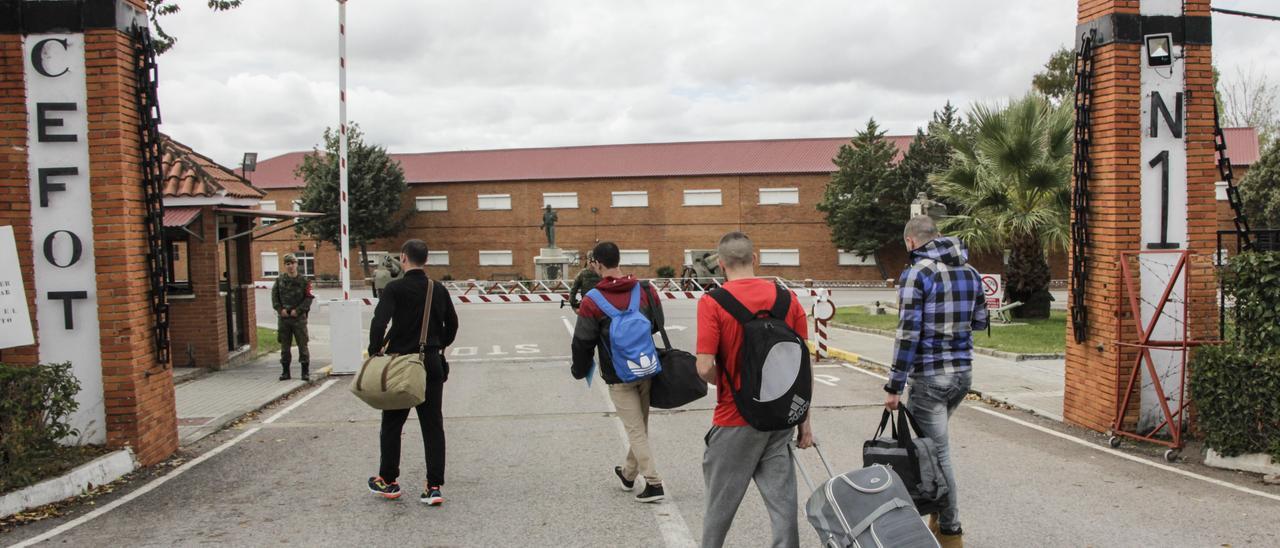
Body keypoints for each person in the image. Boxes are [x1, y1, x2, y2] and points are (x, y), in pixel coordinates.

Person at [695, 231, 814, 548]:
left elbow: (704, 366)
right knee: (783, 507)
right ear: (755, 258)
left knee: (718, 511)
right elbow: (801, 366)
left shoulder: (713, 303)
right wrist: (804, 421)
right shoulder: (788, 299)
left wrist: (732, 384)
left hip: (735, 421)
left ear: (721, 264)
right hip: (779, 419)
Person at [883, 215, 987, 548]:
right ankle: (938, 519)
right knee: (936, 447)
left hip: (930, 377)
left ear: (911, 242)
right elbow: (981, 320)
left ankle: (951, 531)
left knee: (939, 455)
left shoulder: (917, 274)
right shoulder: (970, 272)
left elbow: (908, 333)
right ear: (937, 236)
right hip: (962, 374)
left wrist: (894, 385)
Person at [570, 241, 667, 503]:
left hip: (618, 374)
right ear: (618, 260)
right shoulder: (645, 289)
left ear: (597, 264)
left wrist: (579, 370)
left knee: (635, 430)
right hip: (646, 367)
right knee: (640, 426)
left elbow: (582, 341)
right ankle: (627, 474)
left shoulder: (592, 300)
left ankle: (654, 483)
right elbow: (658, 324)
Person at [366, 239, 460, 505]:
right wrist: (437, 345)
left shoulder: (395, 289)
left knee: (393, 423)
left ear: (403, 258)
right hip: (430, 362)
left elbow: (379, 321)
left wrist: (375, 349)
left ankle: (389, 480)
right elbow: (452, 324)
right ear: (426, 260)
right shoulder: (437, 289)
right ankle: (433, 487)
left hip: (401, 364)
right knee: (432, 425)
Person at [271, 253, 313, 381]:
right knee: (285, 346)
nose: (290, 266)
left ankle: (305, 372)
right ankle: (285, 372)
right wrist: (280, 309)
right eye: (288, 264)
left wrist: (298, 310)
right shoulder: (279, 281)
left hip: (298, 319)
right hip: (284, 319)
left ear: (297, 264)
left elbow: (308, 298)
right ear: (285, 266)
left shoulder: (304, 281)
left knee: (303, 345)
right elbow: (274, 297)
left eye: (293, 263)